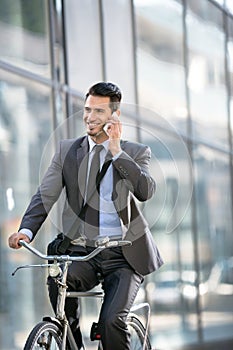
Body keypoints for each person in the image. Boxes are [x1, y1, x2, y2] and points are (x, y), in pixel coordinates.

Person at [8, 82, 163, 350]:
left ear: (115, 116)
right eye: (87, 109)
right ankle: (72, 343)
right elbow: (45, 195)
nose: (90, 117)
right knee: (59, 280)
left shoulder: (136, 152)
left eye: (98, 112)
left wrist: (116, 151)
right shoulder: (68, 150)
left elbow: (145, 191)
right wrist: (27, 230)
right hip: (82, 252)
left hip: (123, 255)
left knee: (112, 322)